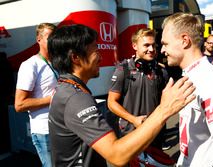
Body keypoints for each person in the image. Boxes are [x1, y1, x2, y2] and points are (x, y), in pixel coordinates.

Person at [47, 24, 196, 167]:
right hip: (129, 135)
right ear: (75, 58)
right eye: (95, 51)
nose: (100, 57)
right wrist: (164, 110)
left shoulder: (68, 88)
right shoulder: (76, 97)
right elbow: (117, 155)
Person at [160, 12, 213, 167]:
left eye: (165, 44)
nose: (162, 51)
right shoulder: (192, 74)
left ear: (185, 41)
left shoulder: (206, 79)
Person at [107, 28, 170, 166]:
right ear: (134, 46)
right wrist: (133, 119)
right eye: (146, 45)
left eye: (154, 45)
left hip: (154, 134)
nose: (151, 49)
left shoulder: (161, 71)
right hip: (129, 135)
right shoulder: (123, 69)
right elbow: (111, 103)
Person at [15, 23, 57, 167]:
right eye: (49, 37)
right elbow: (19, 105)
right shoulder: (30, 65)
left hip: (61, 128)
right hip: (44, 131)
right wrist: (51, 99)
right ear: (39, 39)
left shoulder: (56, 63)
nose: (53, 41)